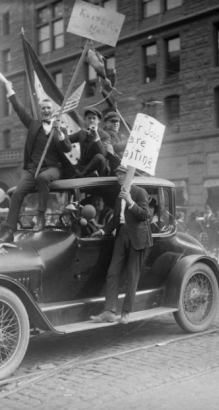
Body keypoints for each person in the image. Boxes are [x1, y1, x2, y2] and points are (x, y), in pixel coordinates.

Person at [0, 81, 72, 242]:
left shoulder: (60, 128)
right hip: (33, 169)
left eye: (48, 108)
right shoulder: (33, 125)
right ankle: (9, 230)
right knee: (17, 193)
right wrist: (10, 90)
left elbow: (67, 149)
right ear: (40, 110)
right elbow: (19, 109)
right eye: (43, 108)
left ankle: (41, 216)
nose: (46, 110)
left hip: (53, 168)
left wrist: (59, 134)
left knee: (43, 178)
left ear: (53, 111)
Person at [89, 165, 152, 325]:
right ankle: (109, 312)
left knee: (132, 276)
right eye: (117, 175)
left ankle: (126, 313)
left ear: (130, 175)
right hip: (122, 236)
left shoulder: (139, 192)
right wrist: (103, 231)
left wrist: (130, 201)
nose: (119, 177)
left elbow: (145, 215)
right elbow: (116, 219)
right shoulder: (120, 195)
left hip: (137, 238)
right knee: (112, 272)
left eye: (122, 174)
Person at [68, 108, 111, 177]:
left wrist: (96, 136)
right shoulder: (82, 133)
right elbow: (67, 139)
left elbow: (103, 154)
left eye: (94, 118)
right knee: (64, 166)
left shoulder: (105, 135)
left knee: (99, 157)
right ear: (86, 120)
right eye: (89, 118)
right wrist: (58, 132)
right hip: (83, 166)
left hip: (98, 167)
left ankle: (81, 175)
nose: (91, 120)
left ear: (98, 120)